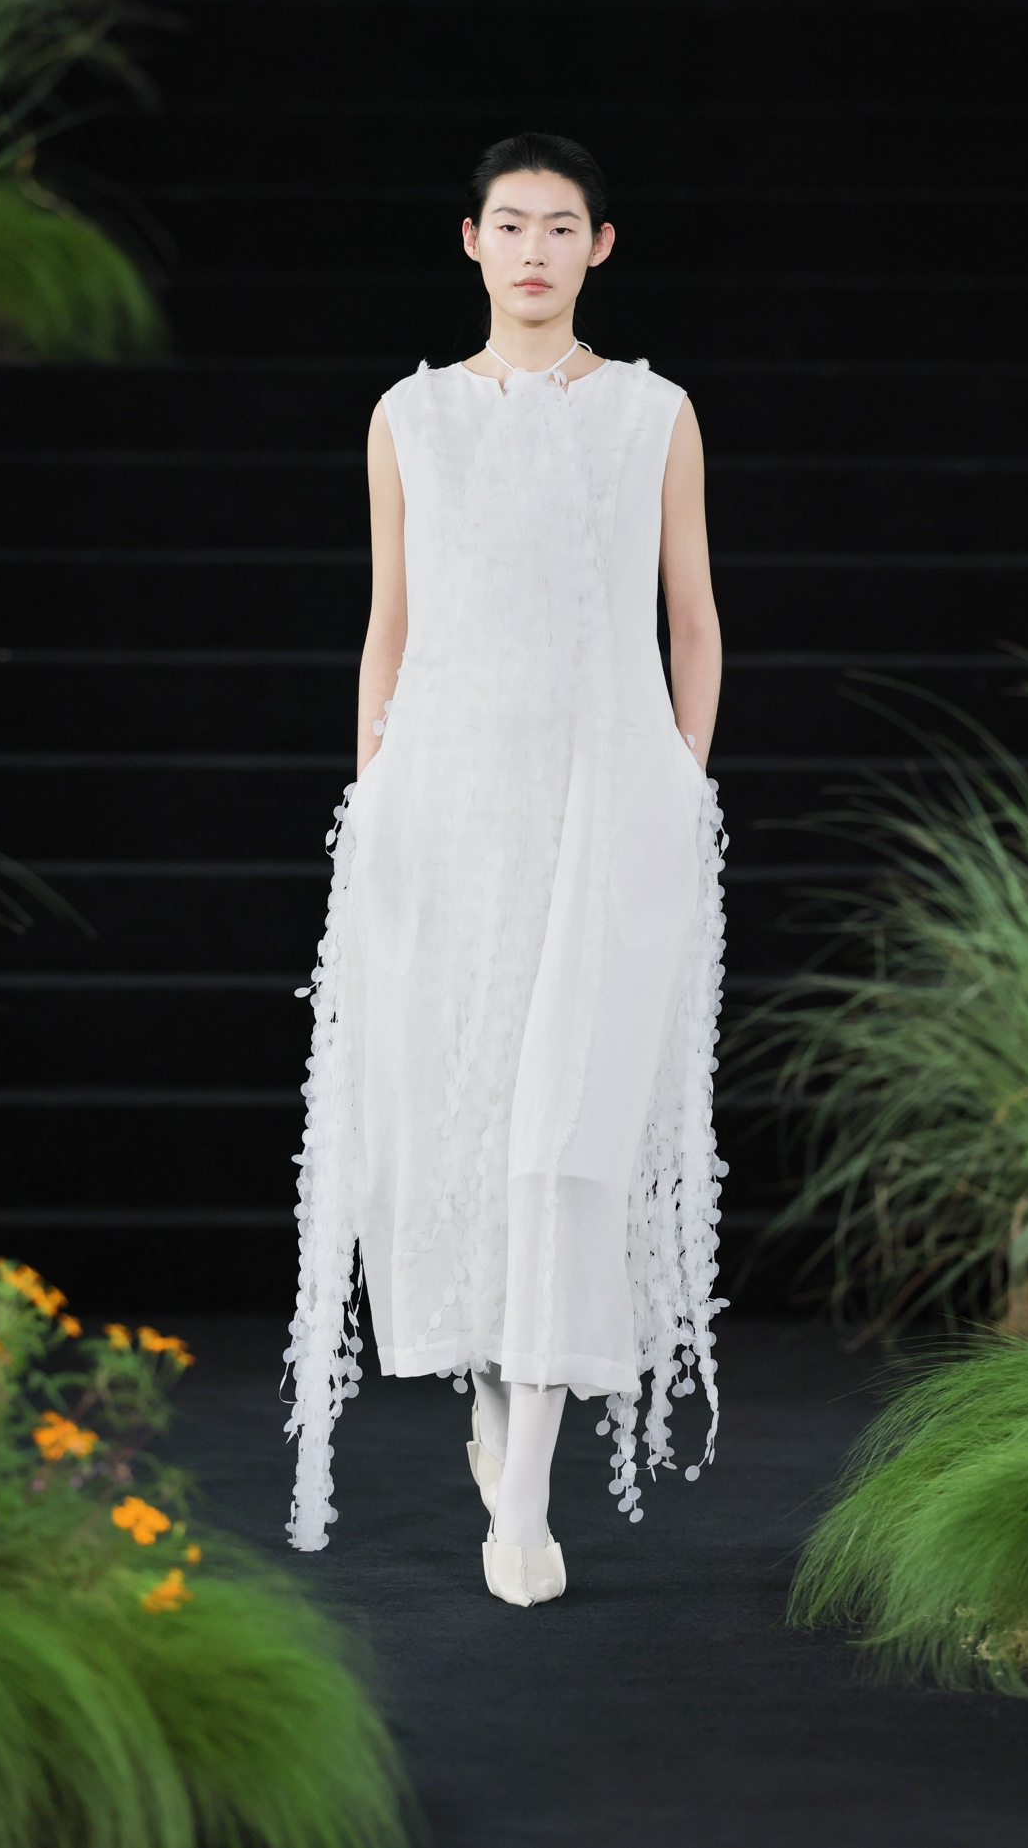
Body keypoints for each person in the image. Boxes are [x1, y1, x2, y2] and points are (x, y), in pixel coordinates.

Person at [284, 132, 727, 1606]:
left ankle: (526, 1494)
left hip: (607, 809)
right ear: (470, 241)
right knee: (458, 1134)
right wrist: (374, 802)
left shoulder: (653, 413)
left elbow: (692, 620)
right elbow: (388, 625)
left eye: (561, 225)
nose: (535, 249)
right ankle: (488, 1399)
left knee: (565, 1137)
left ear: (601, 246)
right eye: (510, 224)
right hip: (447, 810)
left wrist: (679, 781)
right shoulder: (409, 417)